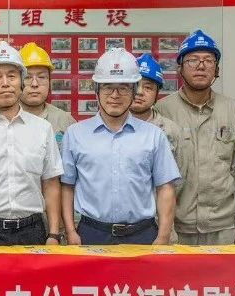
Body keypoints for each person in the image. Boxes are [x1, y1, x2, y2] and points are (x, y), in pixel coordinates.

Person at [61, 49, 180, 246]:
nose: (115, 95)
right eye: (108, 87)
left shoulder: (154, 135)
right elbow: (67, 186)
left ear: (134, 91)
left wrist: (163, 236)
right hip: (91, 234)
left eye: (123, 88)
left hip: (143, 234)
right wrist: (70, 231)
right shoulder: (75, 134)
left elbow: (166, 187)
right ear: (96, 90)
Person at [0, 41, 64, 246]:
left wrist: (53, 234)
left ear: (21, 83)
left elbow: (51, 183)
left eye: (12, 76)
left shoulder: (43, 129)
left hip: (33, 230)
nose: (5, 83)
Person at [155, 30, 235, 245]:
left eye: (208, 60)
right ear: (180, 68)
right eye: (193, 60)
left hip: (222, 226)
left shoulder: (231, 109)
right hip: (176, 225)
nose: (201, 66)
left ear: (217, 69)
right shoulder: (163, 110)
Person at [18, 42, 75, 140]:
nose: (34, 84)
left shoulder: (64, 121)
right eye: (27, 77)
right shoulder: (4, 119)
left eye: (41, 77)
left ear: (49, 81)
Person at [130, 52, 180, 150]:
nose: (139, 92)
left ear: (157, 93)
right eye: (134, 85)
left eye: (148, 87)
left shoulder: (170, 130)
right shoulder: (112, 124)